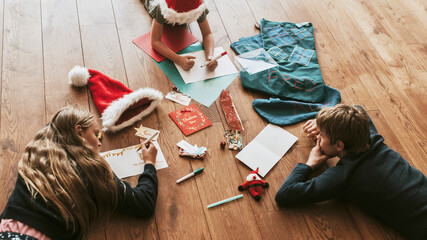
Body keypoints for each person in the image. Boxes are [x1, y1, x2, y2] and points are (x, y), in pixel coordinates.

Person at [0, 107, 159, 240]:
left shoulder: (35, 155)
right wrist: (149, 163)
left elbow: (54, 125)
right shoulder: (93, 171)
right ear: (79, 132)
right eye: (96, 134)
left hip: (6, 230)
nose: (98, 143)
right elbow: (145, 203)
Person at [275, 104, 427, 240]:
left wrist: (310, 164)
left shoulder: (343, 176)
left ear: (339, 145)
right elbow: (358, 108)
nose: (318, 136)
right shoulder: (370, 138)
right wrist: (327, 122)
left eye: (321, 134)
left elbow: (284, 194)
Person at [143, 0, 218, 71]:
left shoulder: (198, 7)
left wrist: (210, 56)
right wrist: (178, 59)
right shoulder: (160, 7)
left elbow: (208, 34)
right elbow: (155, 41)